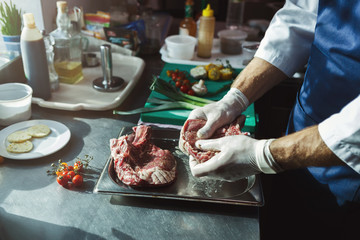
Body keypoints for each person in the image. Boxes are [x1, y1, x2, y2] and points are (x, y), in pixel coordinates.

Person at [183, 0, 360, 239]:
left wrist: (263, 155)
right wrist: (233, 99)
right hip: (304, 123)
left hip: (350, 169)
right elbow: (299, 19)